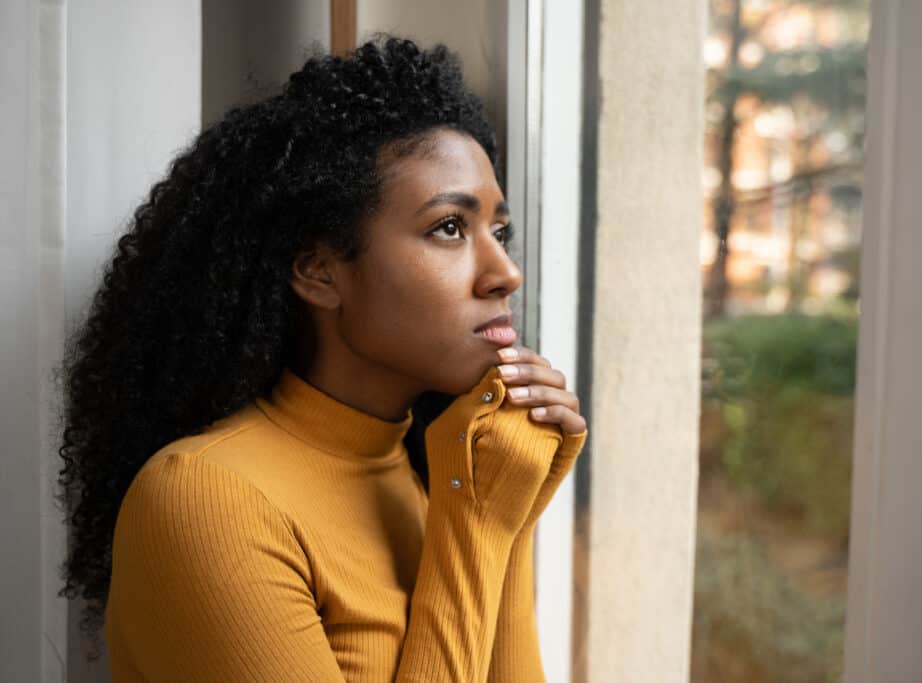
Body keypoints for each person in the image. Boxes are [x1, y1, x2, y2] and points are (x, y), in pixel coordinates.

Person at [56, 35, 587, 682]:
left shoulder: (439, 472)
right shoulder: (203, 499)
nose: (505, 272)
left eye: (498, 232)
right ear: (317, 270)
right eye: (449, 227)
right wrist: (475, 525)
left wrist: (512, 512)